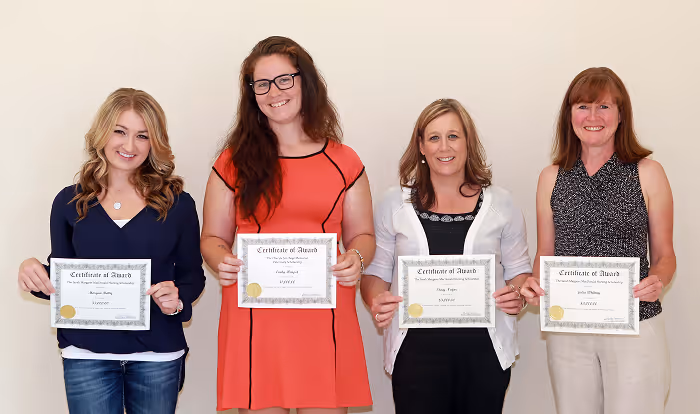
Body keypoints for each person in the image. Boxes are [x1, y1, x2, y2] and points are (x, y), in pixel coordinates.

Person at [200, 36, 374, 413]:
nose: (273, 92)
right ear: (251, 94)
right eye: (261, 84)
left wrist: (357, 258)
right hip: (255, 316)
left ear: (305, 82)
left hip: (324, 314)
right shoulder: (232, 162)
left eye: (284, 79)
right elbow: (213, 238)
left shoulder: (344, 161)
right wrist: (220, 259)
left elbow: (362, 235)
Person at [17, 88, 205, 414]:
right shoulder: (68, 202)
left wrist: (177, 302)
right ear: (102, 133)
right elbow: (62, 284)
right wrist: (33, 271)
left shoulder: (178, 204)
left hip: (157, 354)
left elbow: (192, 277)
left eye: (142, 136)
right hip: (86, 354)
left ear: (154, 142)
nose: (129, 146)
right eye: (120, 131)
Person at [361, 98, 532, 414]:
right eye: (434, 137)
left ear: (468, 143)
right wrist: (376, 299)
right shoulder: (393, 204)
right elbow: (376, 273)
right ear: (421, 146)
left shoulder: (501, 204)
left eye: (453, 136)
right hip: (414, 357)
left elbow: (519, 271)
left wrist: (519, 295)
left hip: (486, 354)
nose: (444, 146)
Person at [521, 67, 675, 414]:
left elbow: (665, 255)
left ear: (621, 116)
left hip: (635, 322)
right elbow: (546, 253)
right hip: (568, 327)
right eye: (582, 107)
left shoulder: (648, 173)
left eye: (604, 107)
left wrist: (659, 280)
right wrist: (534, 283)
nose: (592, 117)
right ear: (569, 115)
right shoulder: (551, 177)